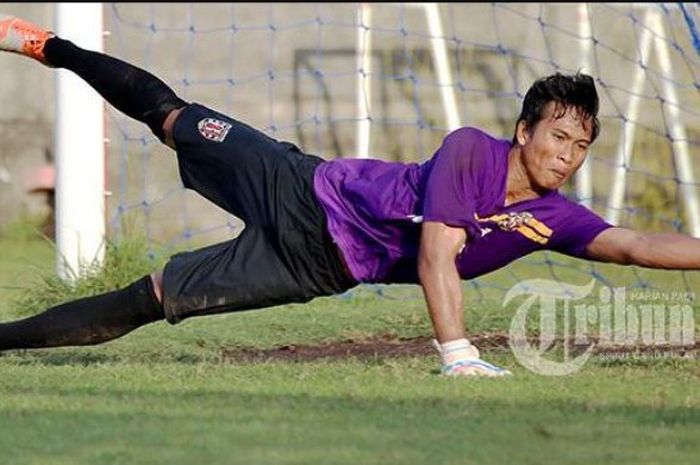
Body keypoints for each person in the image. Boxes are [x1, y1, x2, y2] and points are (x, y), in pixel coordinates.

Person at [1, 16, 698, 378]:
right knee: (174, 116)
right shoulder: (467, 150)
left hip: (315, 267)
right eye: (558, 137)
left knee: (152, 296)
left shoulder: (555, 217)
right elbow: (435, 256)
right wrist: (457, 354)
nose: (567, 156)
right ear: (524, 131)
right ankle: (49, 46)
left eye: (581, 146)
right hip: (297, 182)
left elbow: (635, 244)